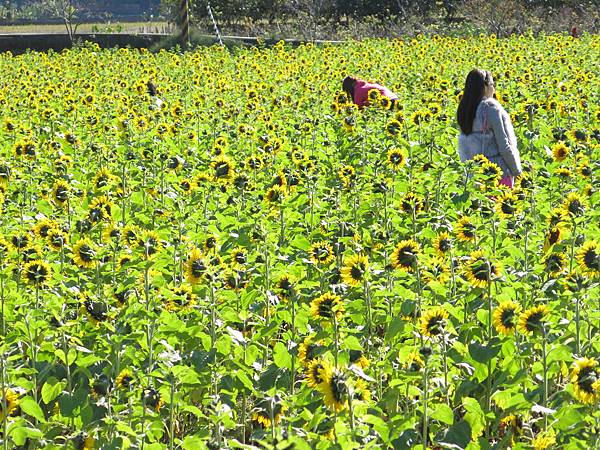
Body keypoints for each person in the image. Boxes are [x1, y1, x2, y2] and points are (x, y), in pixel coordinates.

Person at [457, 69, 522, 188]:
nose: (494, 89)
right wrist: (517, 171)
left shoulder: (464, 111)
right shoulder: (490, 110)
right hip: (498, 174)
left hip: (475, 178)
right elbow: (504, 146)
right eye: (492, 85)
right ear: (484, 86)